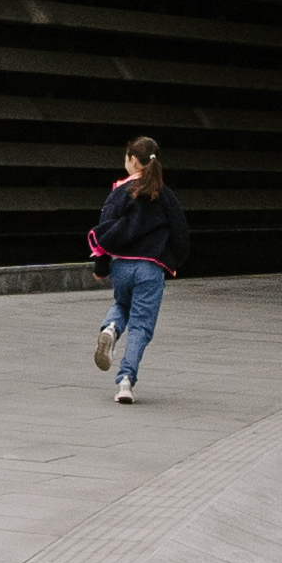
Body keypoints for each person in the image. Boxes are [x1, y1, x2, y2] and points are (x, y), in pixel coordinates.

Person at [87, 135, 187, 405]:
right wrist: (172, 262)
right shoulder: (165, 195)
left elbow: (104, 230)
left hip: (122, 267)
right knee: (141, 326)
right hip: (150, 269)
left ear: (133, 160)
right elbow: (181, 234)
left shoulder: (119, 192)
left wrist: (102, 267)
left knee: (122, 303)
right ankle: (125, 381)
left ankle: (110, 328)